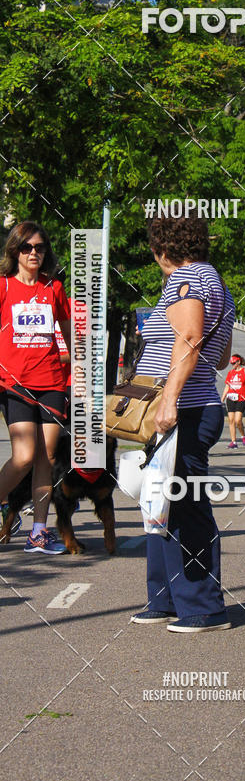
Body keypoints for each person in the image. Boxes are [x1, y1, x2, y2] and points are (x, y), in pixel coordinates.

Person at [130, 215, 235, 633]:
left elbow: (189, 337)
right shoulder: (218, 284)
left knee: (186, 507)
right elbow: (222, 357)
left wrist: (169, 399)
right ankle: (167, 599)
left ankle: (204, 608)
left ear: (161, 250)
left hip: (184, 409)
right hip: (190, 406)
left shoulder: (185, 279)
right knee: (161, 504)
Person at [0, 221, 71, 554]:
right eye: (26, 247)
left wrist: (80, 372)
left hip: (53, 382)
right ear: (15, 250)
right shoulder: (3, 287)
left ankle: (38, 533)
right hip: (15, 384)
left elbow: (70, 333)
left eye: (39, 247)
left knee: (47, 456)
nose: (33, 253)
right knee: (24, 456)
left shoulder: (53, 288)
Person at [221, 355, 245, 448]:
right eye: (231, 363)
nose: (233, 365)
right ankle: (233, 442)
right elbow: (227, 386)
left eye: (234, 363)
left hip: (242, 398)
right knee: (231, 420)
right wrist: (222, 397)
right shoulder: (230, 373)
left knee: (238, 420)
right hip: (231, 398)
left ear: (239, 362)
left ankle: (243, 435)